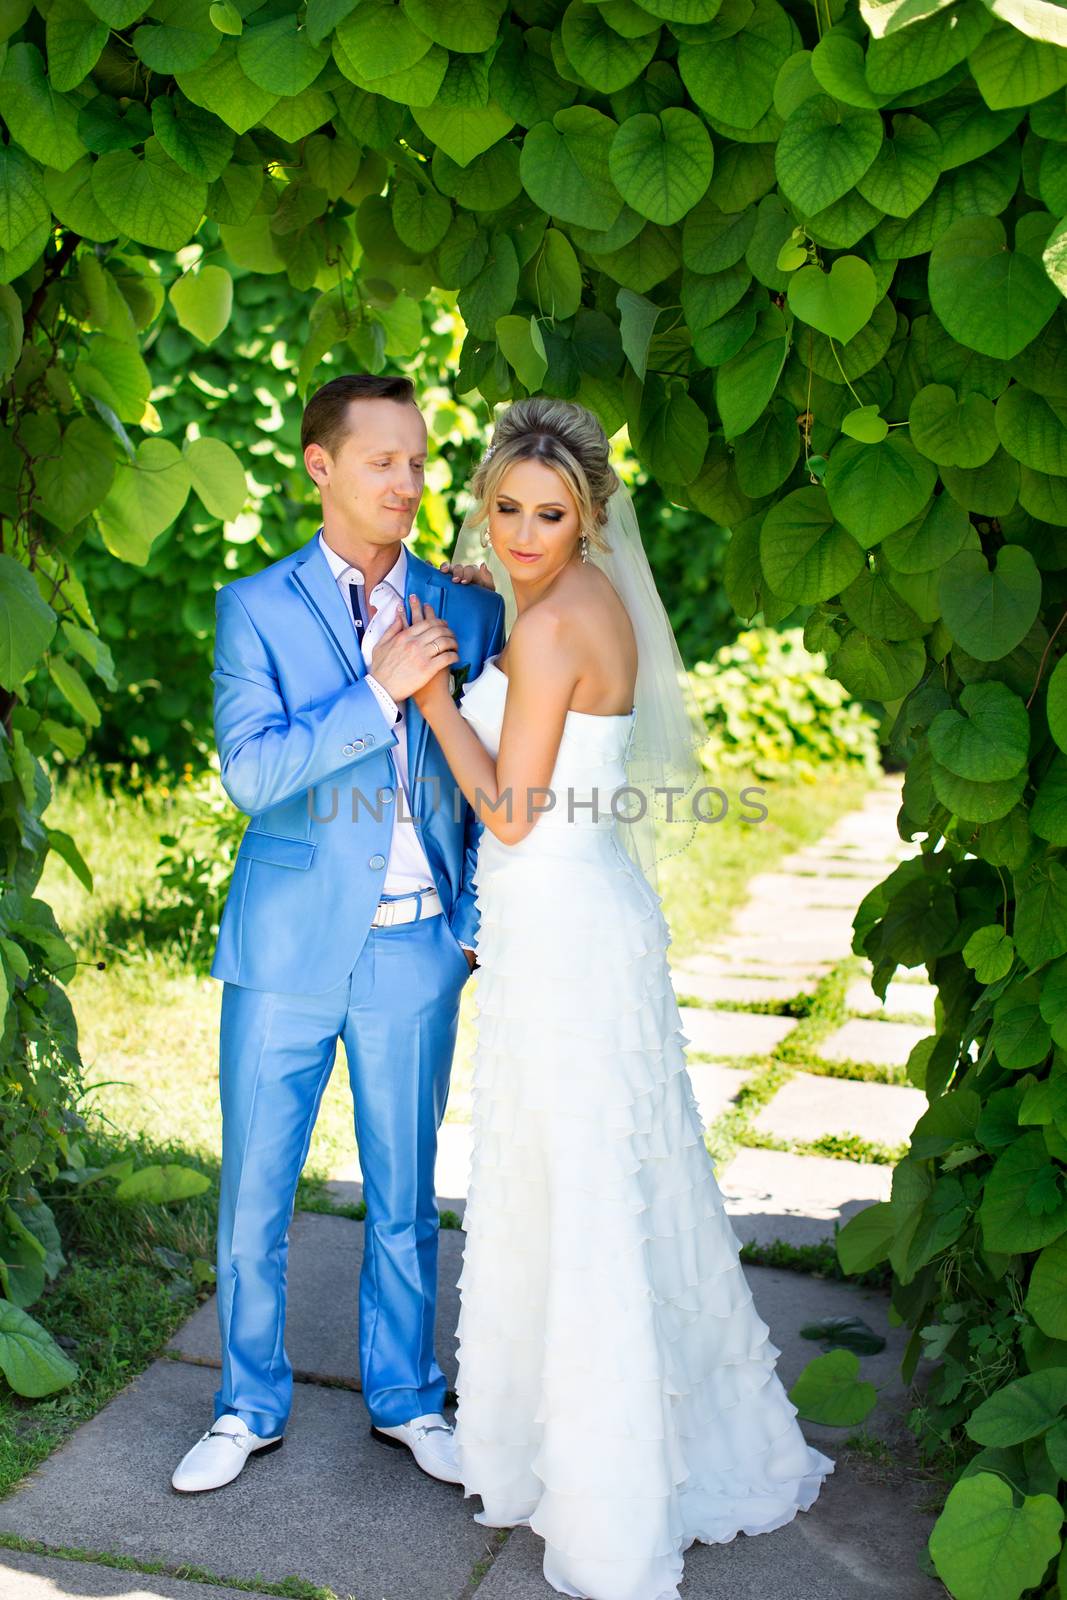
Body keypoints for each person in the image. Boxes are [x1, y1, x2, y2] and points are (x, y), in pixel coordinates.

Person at [396, 397, 834, 1600]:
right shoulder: (581, 600)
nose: (526, 534)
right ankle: (625, 1444)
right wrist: (472, 578)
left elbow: (511, 811)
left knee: (580, 1187)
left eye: (551, 514)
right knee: (610, 1175)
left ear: (587, 518)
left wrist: (431, 696)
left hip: (560, 916)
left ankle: (606, 1493)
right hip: (583, 911)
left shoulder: (546, 631)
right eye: (507, 510)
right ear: (482, 505)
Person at [171, 374, 505, 1494]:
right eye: (382, 462)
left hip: (417, 947)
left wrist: (465, 927)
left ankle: (407, 1397)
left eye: (418, 461)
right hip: (282, 950)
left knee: (405, 1193)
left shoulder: (466, 608)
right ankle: (245, 1403)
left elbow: (509, 777)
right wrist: (375, 693)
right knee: (256, 1189)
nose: (408, 483)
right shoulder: (254, 607)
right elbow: (251, 774)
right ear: (320, 466)